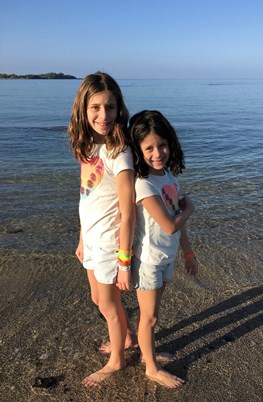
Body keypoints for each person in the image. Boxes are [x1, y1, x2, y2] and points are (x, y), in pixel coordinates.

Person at [68, 72, 137, 387]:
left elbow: (128, 210)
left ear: (118, 108)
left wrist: (125, 260)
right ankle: (127, 338)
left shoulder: (118, 151)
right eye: (95, 107)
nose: (103, 115)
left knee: (109, 304)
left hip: (111, 243)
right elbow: (87, 195)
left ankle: (117, 361)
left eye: (110, 107)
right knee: (99, 299)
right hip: (92, 239)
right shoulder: (88, 146)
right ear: (83, 109)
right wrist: (82, 237)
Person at [129, 110, 198, 388]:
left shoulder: (168, 175)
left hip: (166, 257)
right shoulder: (143, 184)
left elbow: (177, 227)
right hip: (148, 261)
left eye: (163, 145)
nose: (158, 153)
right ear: (138, 150)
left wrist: (189, 252)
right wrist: (190, 209)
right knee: (150, 316)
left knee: (153, 314)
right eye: (149, 148)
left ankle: (149, 354)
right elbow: (170, 225)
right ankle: (151, 368)